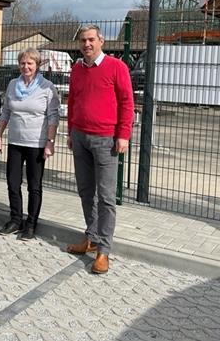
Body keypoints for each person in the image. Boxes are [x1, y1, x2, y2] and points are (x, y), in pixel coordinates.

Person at [65, 24, 134, 274]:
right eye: (83, 40)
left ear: (101, 41)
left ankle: (104, 251)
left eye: (91, 39)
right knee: (85, 191)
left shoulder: (117, 67)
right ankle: (91, 238)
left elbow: (127, 102)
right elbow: (72, 100)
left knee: (106, 198)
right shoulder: (77, 69)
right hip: (80, 137)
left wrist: (123, 135)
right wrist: (71, 130)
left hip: (106, 139)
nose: (87, 44)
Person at [0, 47, 59, 240]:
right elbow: (6, 111)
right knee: (13, 183)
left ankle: (31, 224)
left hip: (37, 144)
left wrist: (50, 142)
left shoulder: (47, 87)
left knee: (34, 185)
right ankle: (15, 219)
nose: (26, 66)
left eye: (30, 63)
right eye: (22, 63)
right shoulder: (13, 84)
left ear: (37, 65)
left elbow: (53, 117)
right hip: (15, 141)